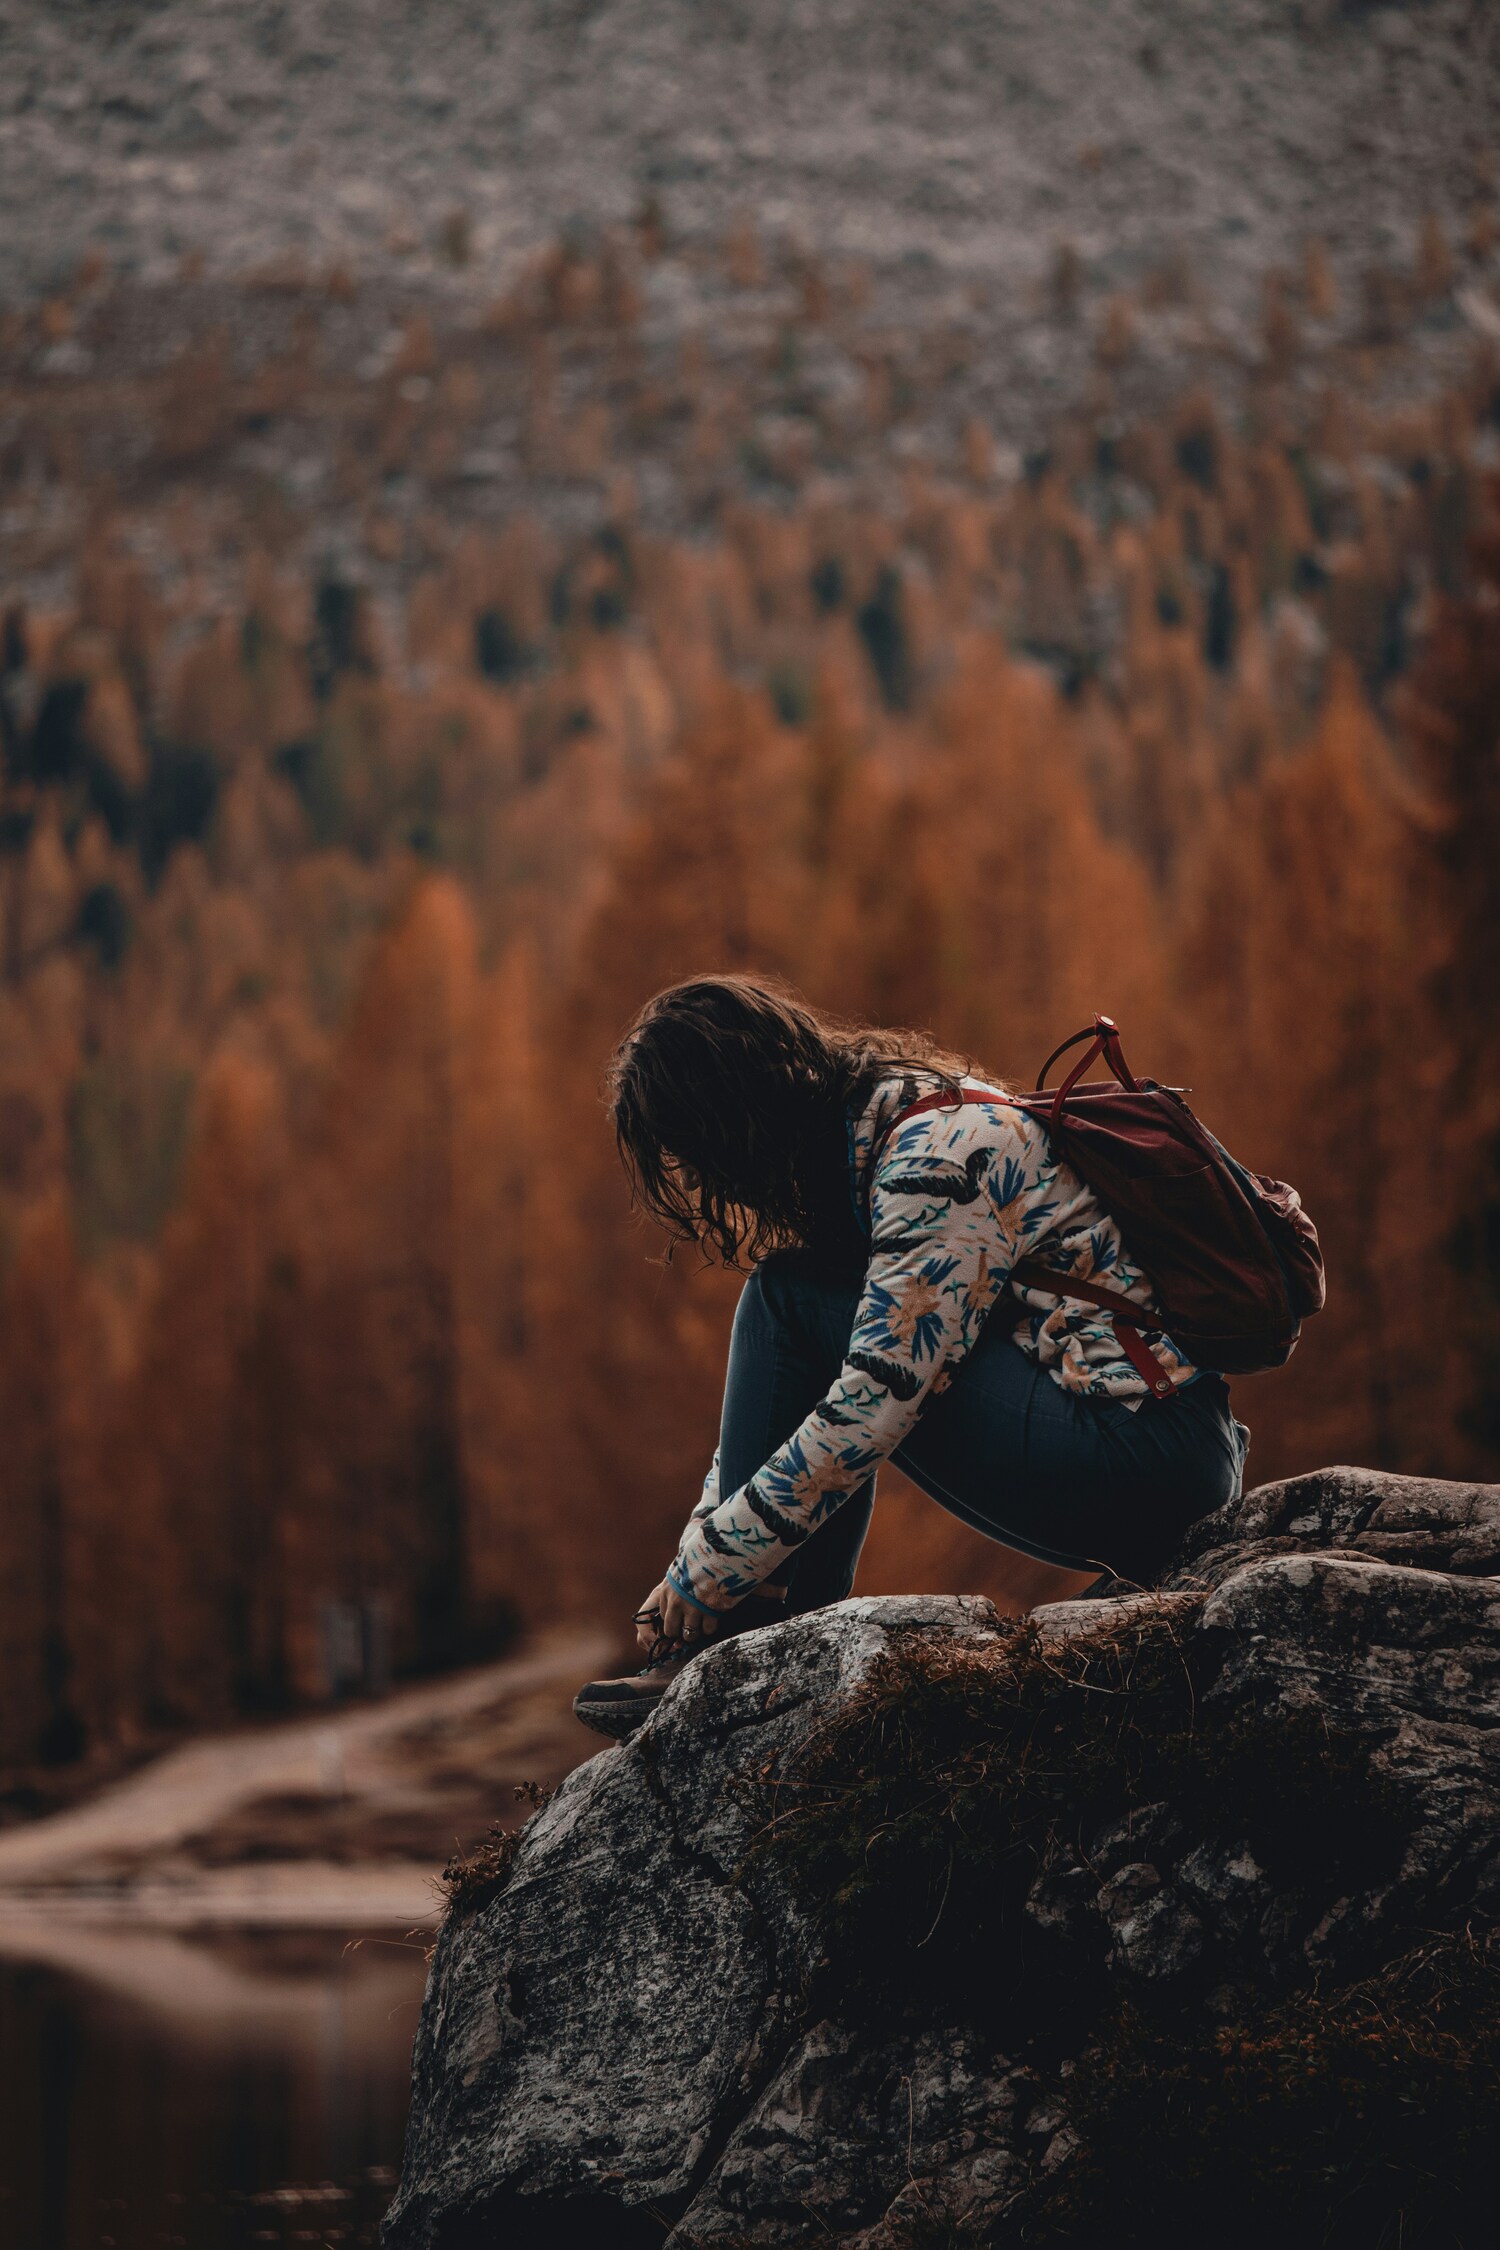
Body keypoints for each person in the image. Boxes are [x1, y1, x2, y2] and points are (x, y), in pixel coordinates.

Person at [573, 975, 1249, 1739]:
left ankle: (759, 1641)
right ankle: (762, 1634)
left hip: (1145, 1454)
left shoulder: (935, 1158)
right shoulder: (885, 1131)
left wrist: (712, 1574)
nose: (695, 1179)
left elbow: (877, 1400)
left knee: (790, 1305)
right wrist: (706, 1555)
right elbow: (781, 1412)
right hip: (1147, 1447)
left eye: (693, 1153)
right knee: (798, 1306)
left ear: (735, 1117)